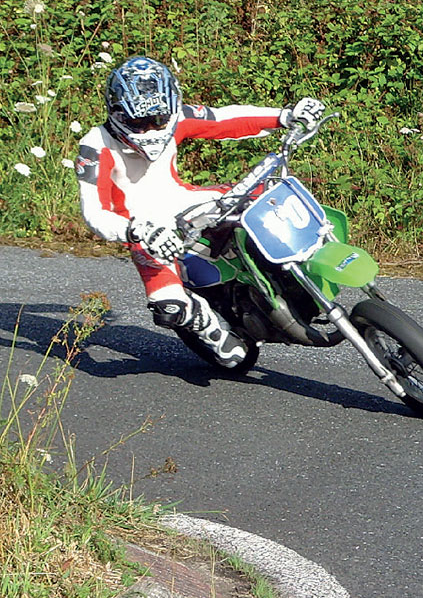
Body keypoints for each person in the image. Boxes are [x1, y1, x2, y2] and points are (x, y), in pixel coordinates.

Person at [73, 56, 325, 367]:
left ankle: (303, 272)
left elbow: (222, 121)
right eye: (138, 123)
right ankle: (208, 326)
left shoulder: (178, 116)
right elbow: (94, 213)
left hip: (187, 201)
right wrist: (134, 230)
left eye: (159, 120)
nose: (150, 130)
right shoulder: (95, 146)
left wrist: (285, 116)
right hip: (145, 230)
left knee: (271, 197)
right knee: (168, 306)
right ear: (116, 113)